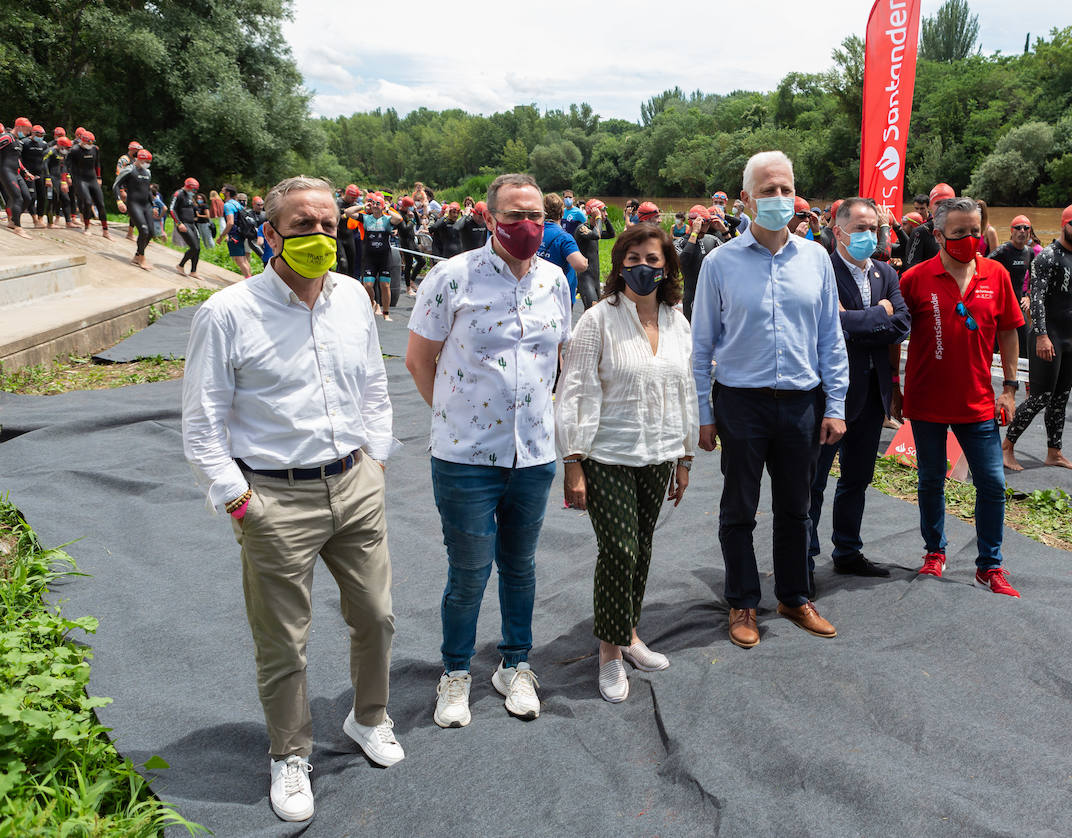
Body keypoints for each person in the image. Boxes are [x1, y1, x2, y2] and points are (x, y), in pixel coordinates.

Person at [182, 175, 403, 823]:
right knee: (284, 641)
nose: (318, 237)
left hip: (353, 484)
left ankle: (369, 718)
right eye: (302, 226)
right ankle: (290, 753)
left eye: (328, 225)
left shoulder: (354, 299)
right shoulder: (229, 313)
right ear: (271, 233)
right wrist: (239, 500)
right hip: (274, 498)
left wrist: (376, 460)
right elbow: (202, 423)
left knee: (377, 616)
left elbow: (372, 387)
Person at [405, 173, 572, 727]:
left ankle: (515, 663)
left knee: (520, 566)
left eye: (536, 217)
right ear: (489, 217)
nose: (526, 226)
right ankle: (455, 673)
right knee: (470, 570)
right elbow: (418, 359)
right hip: (466, 459)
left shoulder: (554, 281)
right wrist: (453, 415)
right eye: (514, 215)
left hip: (533, 456)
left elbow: (559, 361)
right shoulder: (452, 278)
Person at [691, 150, 848, 648]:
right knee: (739, 507)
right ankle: (742, 601)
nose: (779, 199)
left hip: (801, 402)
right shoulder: (720, 263)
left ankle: (794, 595)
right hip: (740, 402)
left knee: (796, 507)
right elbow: (701, 346)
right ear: (746, 200)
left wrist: (837, 404)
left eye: (786, 189)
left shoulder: (816, 258)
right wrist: (704, 414)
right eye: (768, 191)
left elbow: (830, 337)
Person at [556, 224, 697, 703]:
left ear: (667, 267)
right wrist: (573, 461)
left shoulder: (678, 321)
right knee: (619, 550)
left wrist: (684, 454)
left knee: (642, 548)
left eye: (653, 259)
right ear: (618, 265)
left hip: (658, 453)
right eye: (633, 257)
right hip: (607, 454)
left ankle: (630, 634)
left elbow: (684, 390)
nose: (643, 266)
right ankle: (609, 652)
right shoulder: (597, 319)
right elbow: (574, 390)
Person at [900, 196, 1024, 597]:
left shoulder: (997, 275)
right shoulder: (914, 279)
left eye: (975, 230)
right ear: (938, 235)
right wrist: (890, 383)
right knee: (931, 479)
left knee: (991, 483)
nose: (970, 239)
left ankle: (990, 565)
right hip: (926, 401)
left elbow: (1008, 330)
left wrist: (1009, 387)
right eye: (959, 233)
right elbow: (893, 333)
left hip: (977, 402)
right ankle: (934, 552)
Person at [808, 197, 910, 590]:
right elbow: (828, 324)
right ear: (838, 231)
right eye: (863, 228)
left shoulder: (885, 273)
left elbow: (901, 324)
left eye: (875, 228)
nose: (872, 235)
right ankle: (805, 560)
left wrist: (858, 321)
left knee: (857, 479)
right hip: (829, 395)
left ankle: (847, 551)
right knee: (813, 482)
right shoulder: (822, 271)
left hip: (871, 395)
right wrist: (876, 316)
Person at [1002, 204, 1072, 472]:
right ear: (1063, 224)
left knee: (1061, 398)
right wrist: (1042, 335)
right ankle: (1006, 447)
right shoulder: (1047, 257)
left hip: (1068, 338)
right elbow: (1035, 299)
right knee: (1040, 396)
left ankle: (1054, 451)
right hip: (1045, 336)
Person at [344, 193, 402, 320]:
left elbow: (398, 219)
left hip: (384, 257)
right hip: (370, 257)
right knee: (368, 285)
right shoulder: (366, 218)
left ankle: (386, 313)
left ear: (382, 207)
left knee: (384, 285)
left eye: (377, 204)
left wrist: (387, 209)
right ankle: (373, 303)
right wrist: (363, 206)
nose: (375, 206)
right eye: (373, 203)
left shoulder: (387, 220)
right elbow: (348, 212)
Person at [989, 214, 1036, 357]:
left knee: (1026, 343)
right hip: (999, 304)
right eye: (1018, 228)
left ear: (1029, 232)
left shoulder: (1030, 252)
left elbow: (1034, 277)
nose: (1022, 231)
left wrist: (1028, 296)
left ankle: (1024, 376)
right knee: (992, 345)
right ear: (1011, 231)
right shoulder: (1003, 250)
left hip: (1016, 304)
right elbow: (985, 265)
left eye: (1026, 228)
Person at [675, 205, 723, 321]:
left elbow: (734, 255)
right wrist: (694, 234)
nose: (705, 225)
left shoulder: (712, 240)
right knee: (692, 334)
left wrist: (724, 230)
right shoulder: (679, 243)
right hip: (692, 296)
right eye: (702, 222)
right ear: (692, 222)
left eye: (707, 222)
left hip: (713, 296)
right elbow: (683, 261)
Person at [113, 148, 156, 271]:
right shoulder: (129, 169)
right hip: (134, 204)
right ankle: (142, 258)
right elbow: (116, 185)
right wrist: (119, 201)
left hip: (146, 205)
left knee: (151, 232)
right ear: (139, 159)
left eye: (149, 161)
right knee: (143, 230)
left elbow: (147, 190)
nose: (147, 163)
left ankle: (137, 255)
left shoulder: (147, 172)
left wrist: (153, 205)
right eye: (145, 161)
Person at [539, 192, 588, 299]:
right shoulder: (564, 238)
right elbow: (580, 265)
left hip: (537, 290)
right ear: (562, 213)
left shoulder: (534, 232)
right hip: (560, 295)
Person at [573, 198, 615, 309]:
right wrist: (599, 218)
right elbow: (596, 235)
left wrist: (605, 219)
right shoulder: (582, 229)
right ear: (594, 213)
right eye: (603, 211)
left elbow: (612, 234)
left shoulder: (594, 229)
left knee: (595, 313)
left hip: (595, 278)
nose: (605, 214)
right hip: (585, 278)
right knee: (591, 310)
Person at [1, 120, 35, 238]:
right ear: (19, 127)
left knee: (27, 198)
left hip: (16, 172)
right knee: (17, 198)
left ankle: (13, 221)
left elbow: (17, 159)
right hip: (5, 171)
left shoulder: (19, 142)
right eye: (26, 130)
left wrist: (25, 172)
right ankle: (18, 227)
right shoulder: (7, 137)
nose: (27, 133)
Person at [218, 187, 253, 278]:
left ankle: (249, 281)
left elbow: (230, 222)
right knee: (244, 259)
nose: (221, 192)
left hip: (234, 235)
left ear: (228, 193)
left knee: (239, 260)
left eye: (223, 191)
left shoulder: (228, 205)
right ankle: (250, 278)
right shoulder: (236, 204)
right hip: (241, 233)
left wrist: (222, 236)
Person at [19, 123, 49, 228]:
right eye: (38, 135)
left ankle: (40, 218)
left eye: (42, 136)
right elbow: (19, 159)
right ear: (32, 133)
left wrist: (47, 177)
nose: (40, 137)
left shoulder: (44, 145)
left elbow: (45, 162)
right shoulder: (24, 142)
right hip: (28, 173)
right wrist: (24, 172)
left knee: (42, 196)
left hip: (40, 173)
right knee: (32, 196)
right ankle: (34, 218)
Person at [395, 196, 423, 295]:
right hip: (405, 241)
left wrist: (415, 213)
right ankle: (408, 288)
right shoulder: (400, 214)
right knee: (409, 264)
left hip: (412, 241)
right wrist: (411, 220)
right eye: (410, 206)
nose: (411, 208)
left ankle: (411, 281)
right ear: (405, 206)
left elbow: (419, 223)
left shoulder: (410, 213)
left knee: (422, 261)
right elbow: (405, 230)